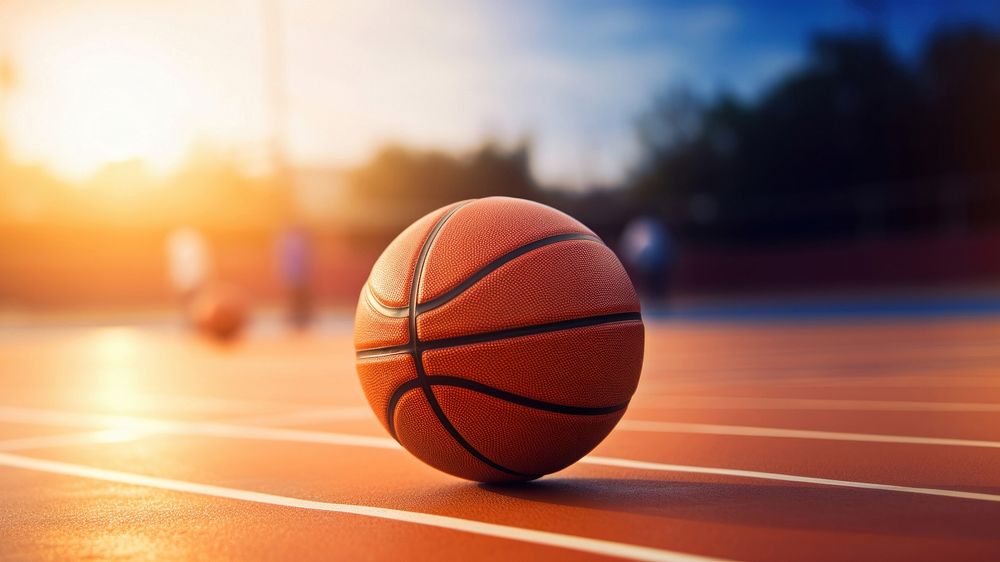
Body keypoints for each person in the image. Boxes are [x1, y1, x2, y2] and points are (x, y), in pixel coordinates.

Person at [276, 224, 313, 329]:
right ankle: (297, 318)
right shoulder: (292, 240)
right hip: (295, 275)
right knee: (295, 299)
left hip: (297, 275)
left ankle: (299, 318)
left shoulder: (290, 240)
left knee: (298, 299)